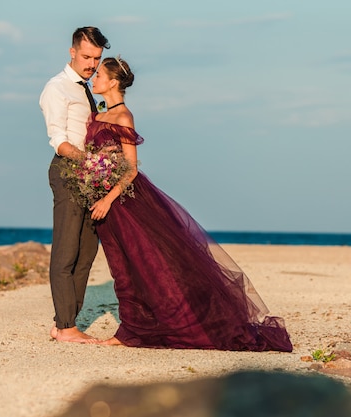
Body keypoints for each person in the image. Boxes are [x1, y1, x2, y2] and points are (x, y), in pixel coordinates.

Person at [83, 56, 293, 351]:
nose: (94, 78)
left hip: (125, 202)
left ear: (113, 82)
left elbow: (130, 169)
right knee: (121, 268)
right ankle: (131, 330)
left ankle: (141, 330)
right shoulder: (98, 114)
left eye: (100, 75)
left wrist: (106, 198)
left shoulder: (123, 117)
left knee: (147, 266)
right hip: (106, 201)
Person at [39, 27, 110, 343]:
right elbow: (60, 141)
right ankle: (66, 327)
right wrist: (91, 161)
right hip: (68, 174)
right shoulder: (57, 88)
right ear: (72, 52)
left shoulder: (87, 90)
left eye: (96, 58)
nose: (91, 64)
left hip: (89, 177)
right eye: (86, 56)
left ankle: (64, 323)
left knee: (86, 253)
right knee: (66, 252)